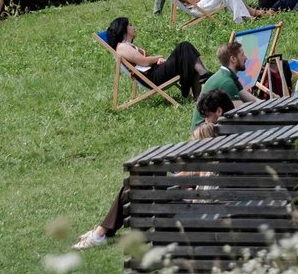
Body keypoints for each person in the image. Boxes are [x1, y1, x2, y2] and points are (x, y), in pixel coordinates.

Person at [72, 89, 235, 250]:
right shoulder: (234, 136)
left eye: (207, 116)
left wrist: (181, 179)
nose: (205, 121)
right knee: (140, 182)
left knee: (139, 183)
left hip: (199, 211)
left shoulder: (222, 143)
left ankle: (101, 233)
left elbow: (204, 185)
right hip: (204, 201)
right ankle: (102, 232)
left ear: (219, 111)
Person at [106, 16, 209, 97]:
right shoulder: (122, 47)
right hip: (153, 77)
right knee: (184, 47)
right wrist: (157, 57)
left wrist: (158, 61)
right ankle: (201, 76)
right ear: (123, 28)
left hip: (155, 71)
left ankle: (195, 89)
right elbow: (145, 62)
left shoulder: (128, 46)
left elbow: (144, 63)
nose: (134, 27)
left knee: (189, 57)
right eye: (130, 25)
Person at [198, 40, 258, 115]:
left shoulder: (228, 75)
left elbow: (253, 100)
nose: (246, 58)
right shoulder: (227, 82)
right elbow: (241, 113)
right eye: (242, 55)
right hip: (205, 125)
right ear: (233, 59)